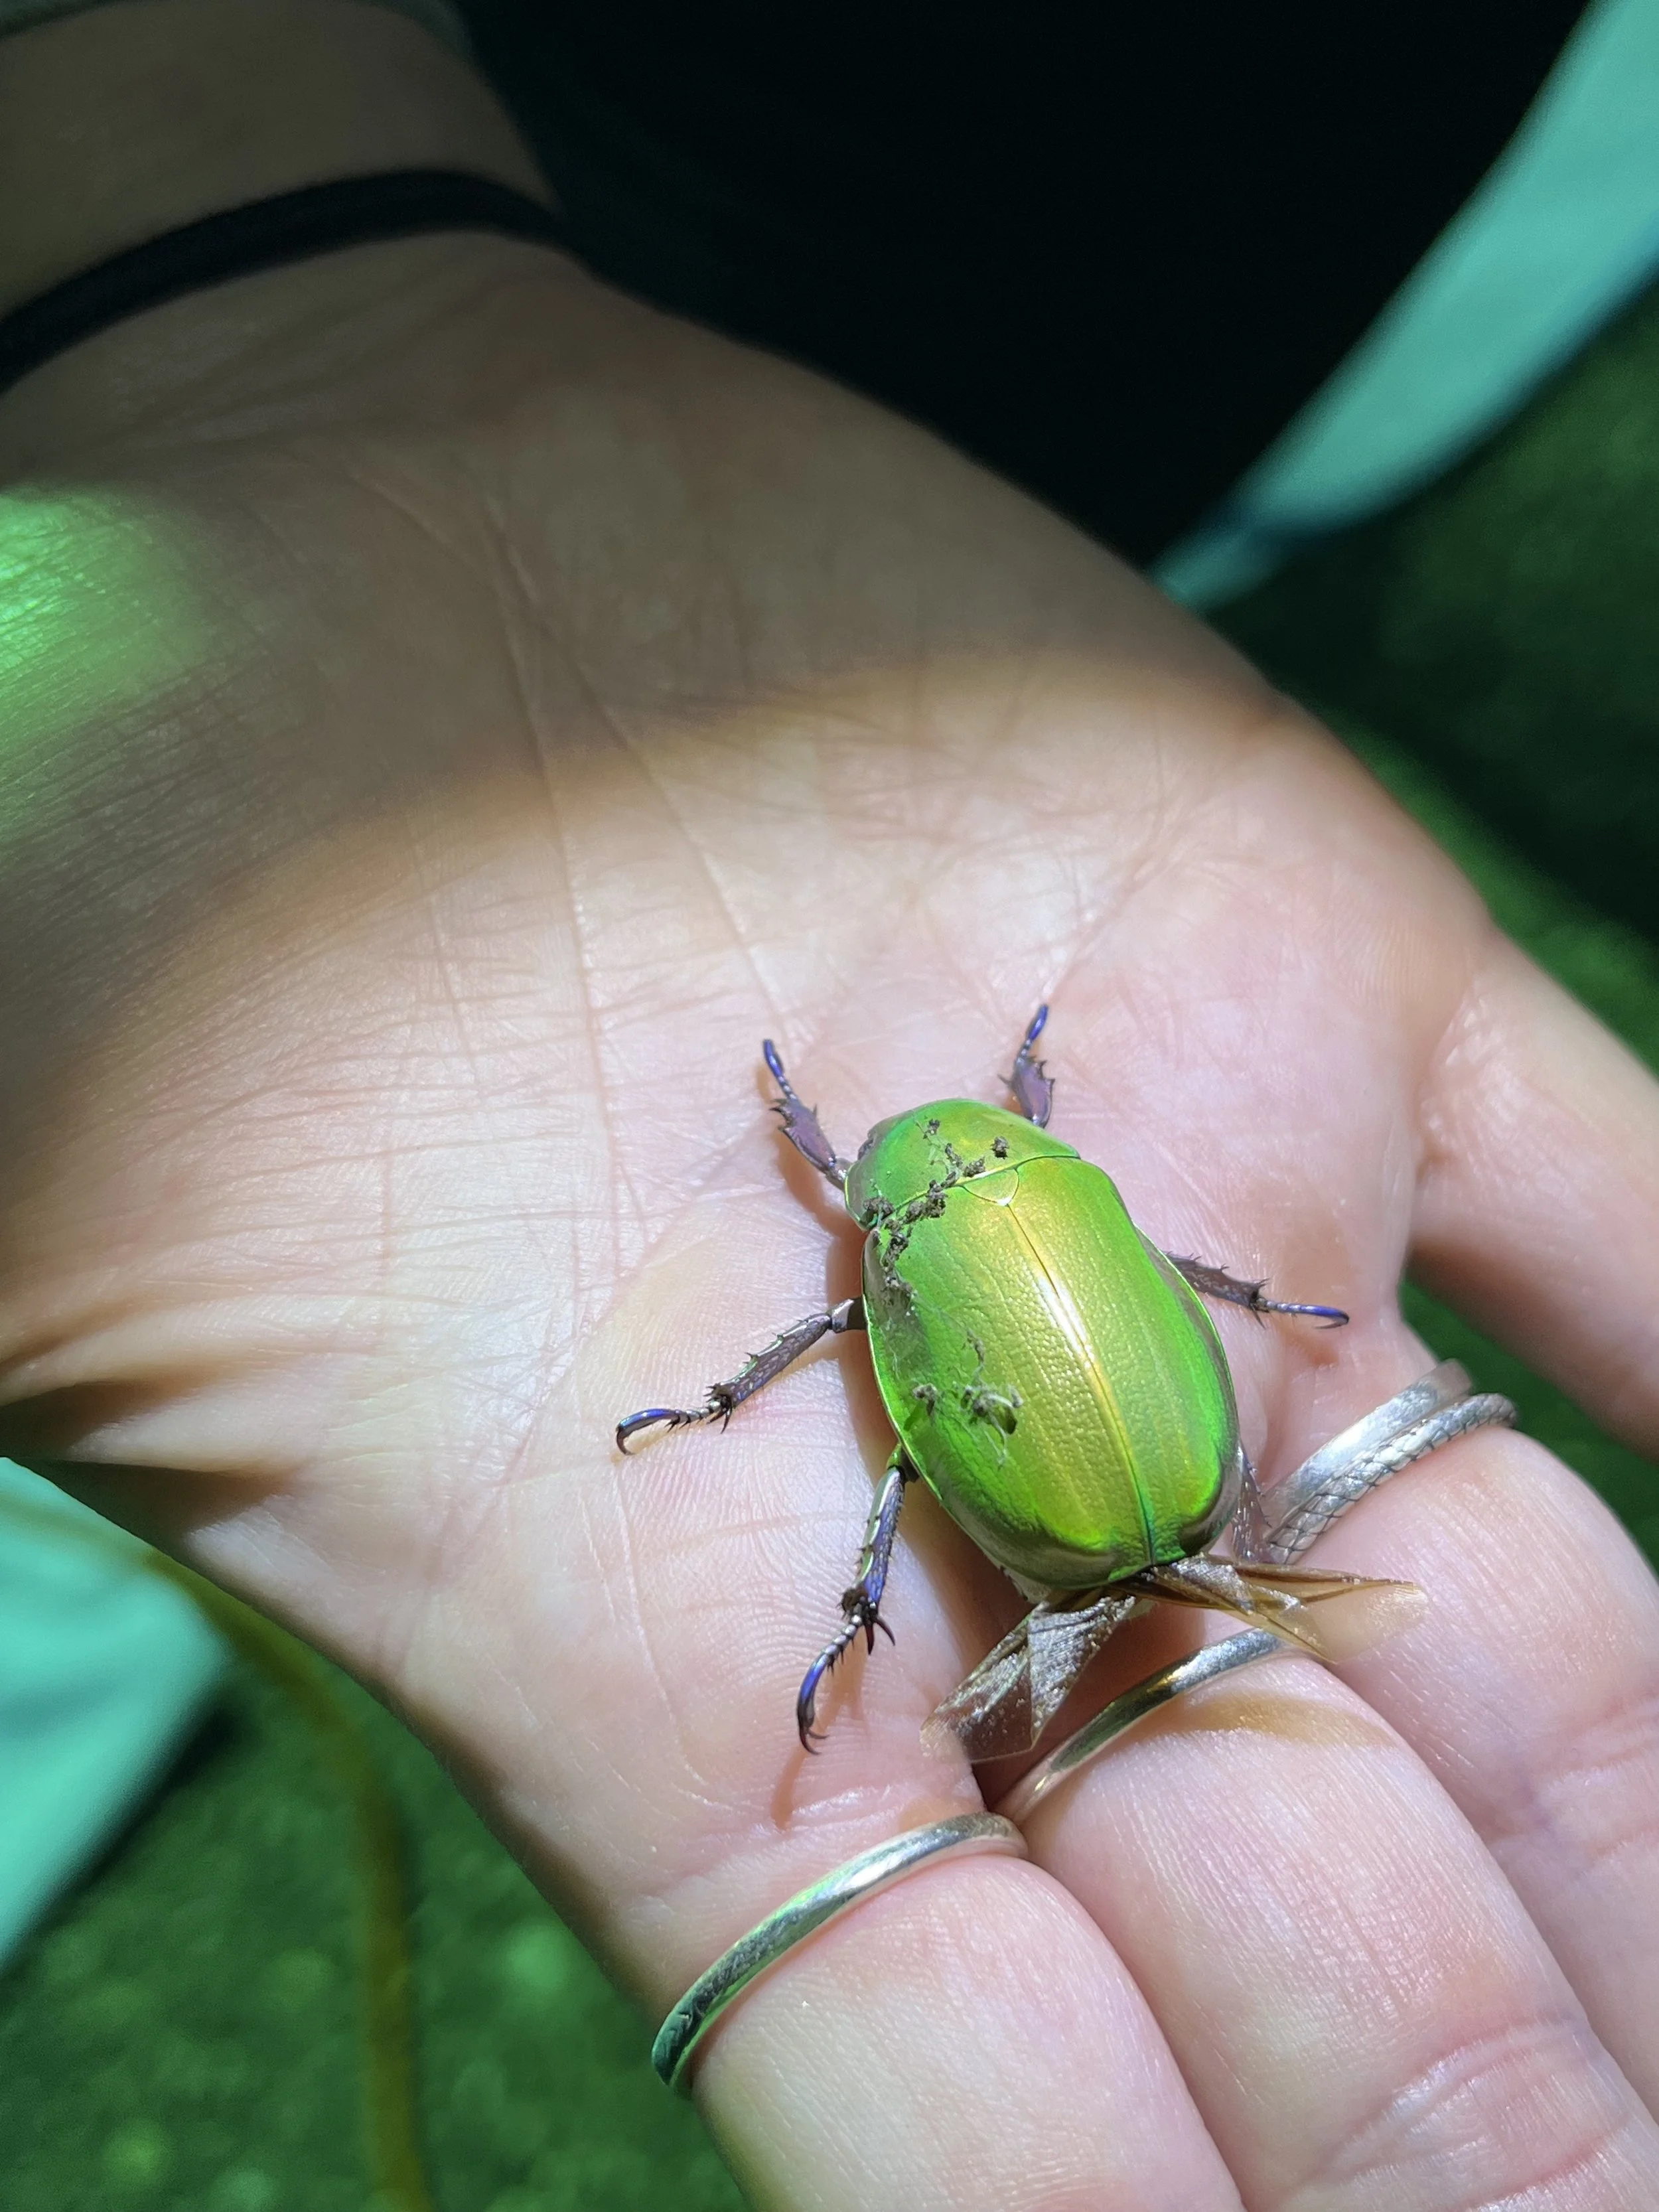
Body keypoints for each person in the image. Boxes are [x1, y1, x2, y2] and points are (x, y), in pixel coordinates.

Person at [1, 3, 1658, 2206]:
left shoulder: (898, 1242)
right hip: (972, 237)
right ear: (1013, 1140)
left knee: (874, 1449)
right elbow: (1104, 1277)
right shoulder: (1049, 1178)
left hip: (1127, 227)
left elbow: (873, 1346)